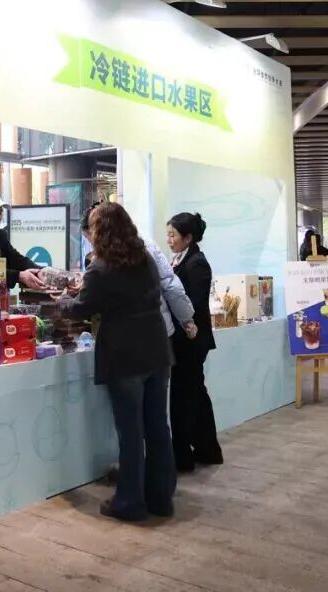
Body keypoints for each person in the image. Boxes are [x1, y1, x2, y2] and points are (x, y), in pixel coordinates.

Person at [59, 203, 175, 521]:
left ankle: (130, 502)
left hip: (124, 356)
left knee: (130, 433)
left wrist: (63, 301)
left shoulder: (100, 268)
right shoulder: (145, 258)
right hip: (156, 349)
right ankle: (161, 498)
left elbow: (82, 308)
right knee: (158, 428)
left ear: (100, 232)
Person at [82, 204, 197, 342]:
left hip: (127, 337)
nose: (92, 243)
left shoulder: (103, 260)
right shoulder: (147, 246)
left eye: (90, 237)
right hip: (158, 330)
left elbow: (170, 285)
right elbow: (170, 285)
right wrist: (186, 319)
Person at [166, 212, 224, 472]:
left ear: (188, 237)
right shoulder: (180, 259)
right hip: (184, 339)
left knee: (184, 397)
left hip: (191, 340)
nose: (169, 240)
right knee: (195, 395)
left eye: (173, 235)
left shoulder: (196, 262)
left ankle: (183, 456)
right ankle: (207, 449)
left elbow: (195, 304)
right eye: (168, 235)